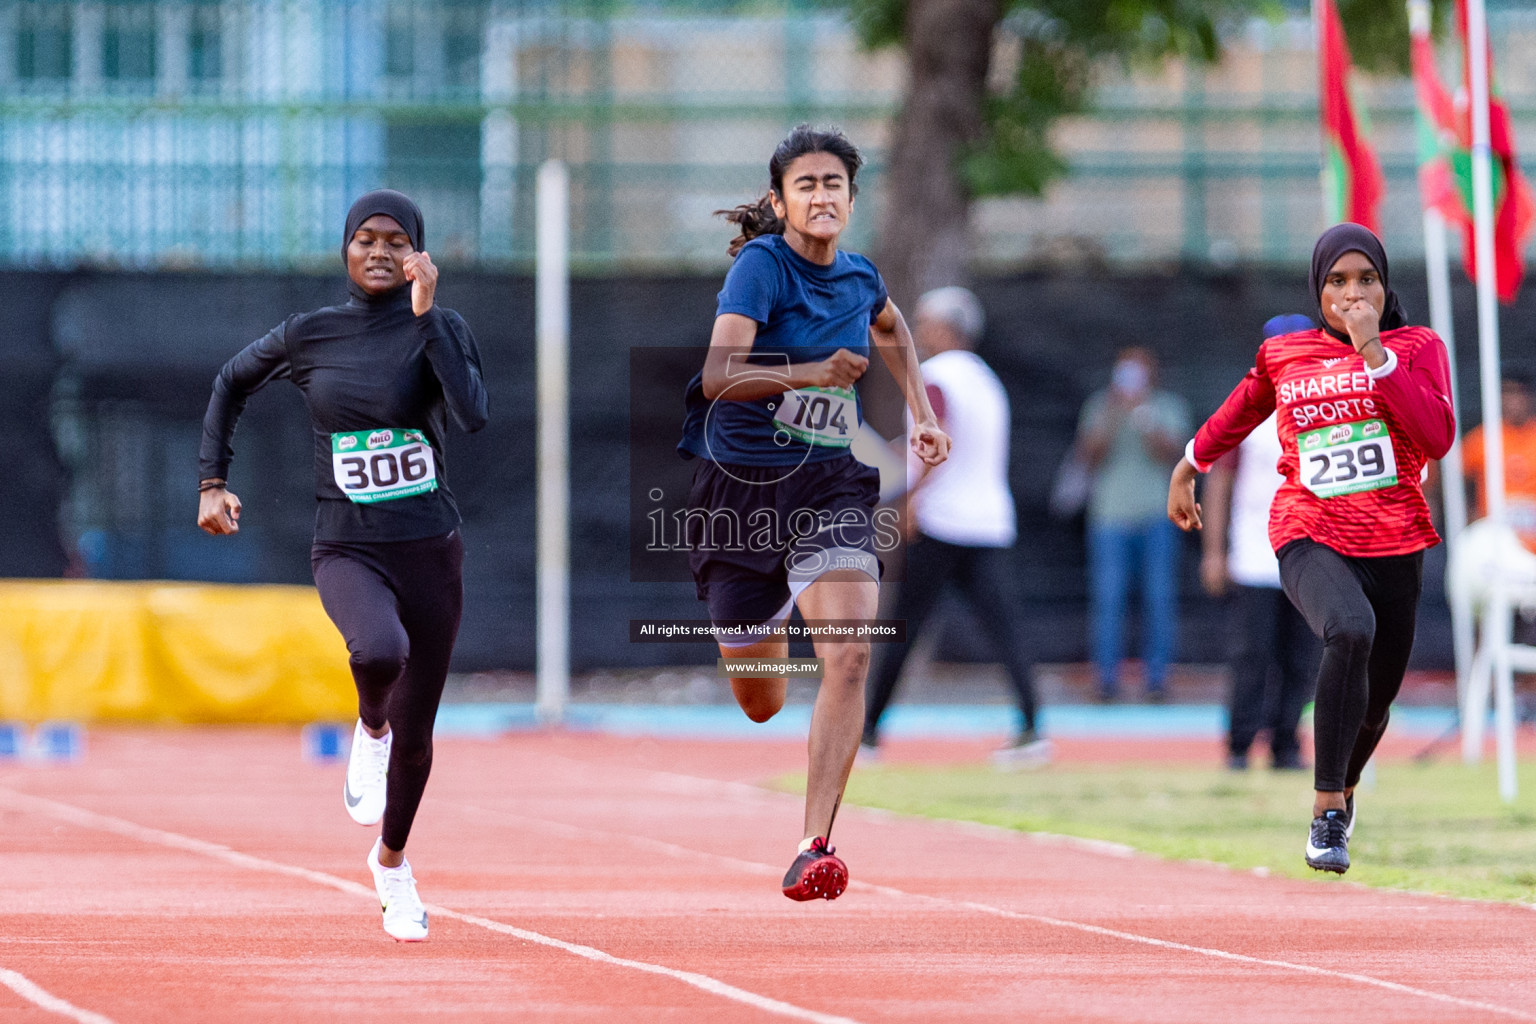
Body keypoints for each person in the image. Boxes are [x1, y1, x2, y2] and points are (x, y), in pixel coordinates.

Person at [197, 189, 489, 939]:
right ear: (346, 250)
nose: (381, 252)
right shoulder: (309, 335)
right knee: (378, 651)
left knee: (420, 735)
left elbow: (472, 412)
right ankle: (369, 727)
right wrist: (212, 481)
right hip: (347, 545)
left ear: (420, 253)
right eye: (366, 238)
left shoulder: (439, 327)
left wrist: (428, 317)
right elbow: (230, 382)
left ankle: (391, 865)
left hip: (430, 548)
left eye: (398, 240)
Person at [679, 125, 949, 901]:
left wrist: (920, 413)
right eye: (807, 185)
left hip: (830, 488)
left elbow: (892, 331)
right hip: (742, 494)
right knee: (760, 700)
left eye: (835, 184)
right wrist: (812, 369)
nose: (823, 196)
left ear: (852, 199)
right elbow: (718, 373)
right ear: (780, 200)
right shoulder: (763, 268)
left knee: (851, 654)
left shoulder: (861, 277)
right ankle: (758, 631)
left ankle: (815, 844)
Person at [1168, 223, 1454, 875]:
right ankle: (1326, 810)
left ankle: (1344, 789)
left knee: (1376, 701)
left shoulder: (1416, 347)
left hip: (1396, 539)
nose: (1352, 294)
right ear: (1317, 289)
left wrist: (1373, 354)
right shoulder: (1286, 354)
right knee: (1348, 630)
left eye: (1366, 280)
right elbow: (1239, 411)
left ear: (1385, 287)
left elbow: (1436, 436)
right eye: (1337, 281)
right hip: (1309, 530)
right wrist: (1189, 464)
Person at [857, 286, 1045, 765]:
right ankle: (1032, 728)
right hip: (988, 521)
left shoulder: (935, 376)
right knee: (1007, 631)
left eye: (923, 322)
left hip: (943, 521)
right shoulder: (986, 381)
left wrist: (913, 499)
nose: (917, 331)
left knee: (904, 625)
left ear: (945, 328)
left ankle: (869, 733)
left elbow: (937, 439)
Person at [1200, 314, 1321, 772]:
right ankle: (1238, 743)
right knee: (1252, 653)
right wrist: (1214, 551)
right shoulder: (1247, 409)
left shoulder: (1322, 407)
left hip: (1309, 548)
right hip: (1254, 551)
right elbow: (1218, 483)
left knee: (1300, 654)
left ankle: (1286, 743)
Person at [1076, 347, 1191, 702]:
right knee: (1108, 599)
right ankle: (1106, 679)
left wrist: (1144, 416)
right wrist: (1114, 414)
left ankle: (1157, 679)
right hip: (1109, 517)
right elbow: (1089, 456)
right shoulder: (1100, 406)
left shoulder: (1168, 406)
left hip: (1158, 515)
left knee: (1159, 598)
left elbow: (1175, 456)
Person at [1462, 370, 1536, 551]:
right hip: (1496, 549)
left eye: (1519, 392)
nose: (1514, 400)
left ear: (1530, 397)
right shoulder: (1482, 439)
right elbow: (1454, 483)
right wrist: (1472, 518)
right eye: (1507, 393)